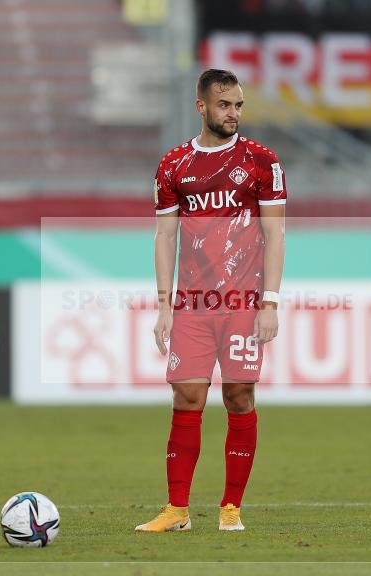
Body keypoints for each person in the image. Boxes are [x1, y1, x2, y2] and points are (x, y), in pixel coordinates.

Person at [136, 69, 286, 533]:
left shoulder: (262, 161)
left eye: (239, 104)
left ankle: (230, 509)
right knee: (187, 396)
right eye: (225, 105)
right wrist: (164, 304)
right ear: (201, 106)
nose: (234, 113)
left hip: (243, 301)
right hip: (193, 305)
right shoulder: (174, 164)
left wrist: (271, 302)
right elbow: (164, 236)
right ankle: (177, 509)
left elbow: (274, 231)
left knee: (239, 396)